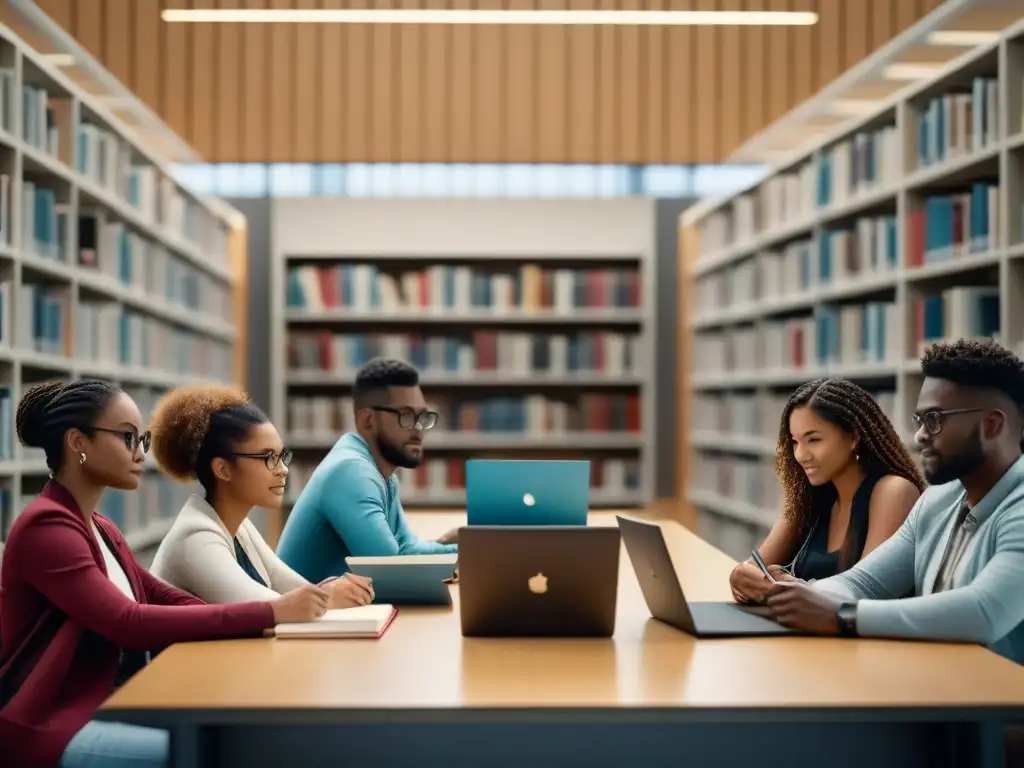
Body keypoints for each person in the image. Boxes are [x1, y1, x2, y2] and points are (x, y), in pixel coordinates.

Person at [0, 380, 330, 768]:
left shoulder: (101, 526)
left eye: (142, 438)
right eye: (127, 437)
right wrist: (270, 613)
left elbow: (157, 593)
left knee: (233, 729)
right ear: (78, 443)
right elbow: (127, 621)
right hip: (56, 724)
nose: (140, 452)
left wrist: (228, 617)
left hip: (115, 698)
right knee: (212, 750)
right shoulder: (48, 527)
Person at [764, 339, 1024, 665]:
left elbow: (985, 611)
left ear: (991, 425)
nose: (920, 436)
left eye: (935, 420)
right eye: (920, 421)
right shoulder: (938, 500)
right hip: (938, 692)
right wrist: (796, 595)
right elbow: (863, 581)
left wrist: (842, 615)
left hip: (1001, 706)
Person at [148, 386, 375, 608]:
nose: (283, 469)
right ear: (222, 469)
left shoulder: (239, 526)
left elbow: (289, 586)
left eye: (281, 455)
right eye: (268, 457)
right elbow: (272, 609)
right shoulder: (195, 538)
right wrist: (329, 596)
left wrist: (338, 589)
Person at [730, 378, 925, 604]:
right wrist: (740, 576)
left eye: (813, 440)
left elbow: (869, 593)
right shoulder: (809, 496)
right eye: (795, 442)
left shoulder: (893, 491)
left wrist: (799, 589)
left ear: (853, 437)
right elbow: (755, 569)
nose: (801, 455)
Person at [277, 358, 458, 584]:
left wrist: (471, 549)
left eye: (423, 417)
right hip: (307, 617)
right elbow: (391, 569)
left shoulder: (381, 472)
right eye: (406, 416)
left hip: (336, 614)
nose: (418, 429)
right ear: (368, 420)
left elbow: (406, 548)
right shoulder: (351, 471)